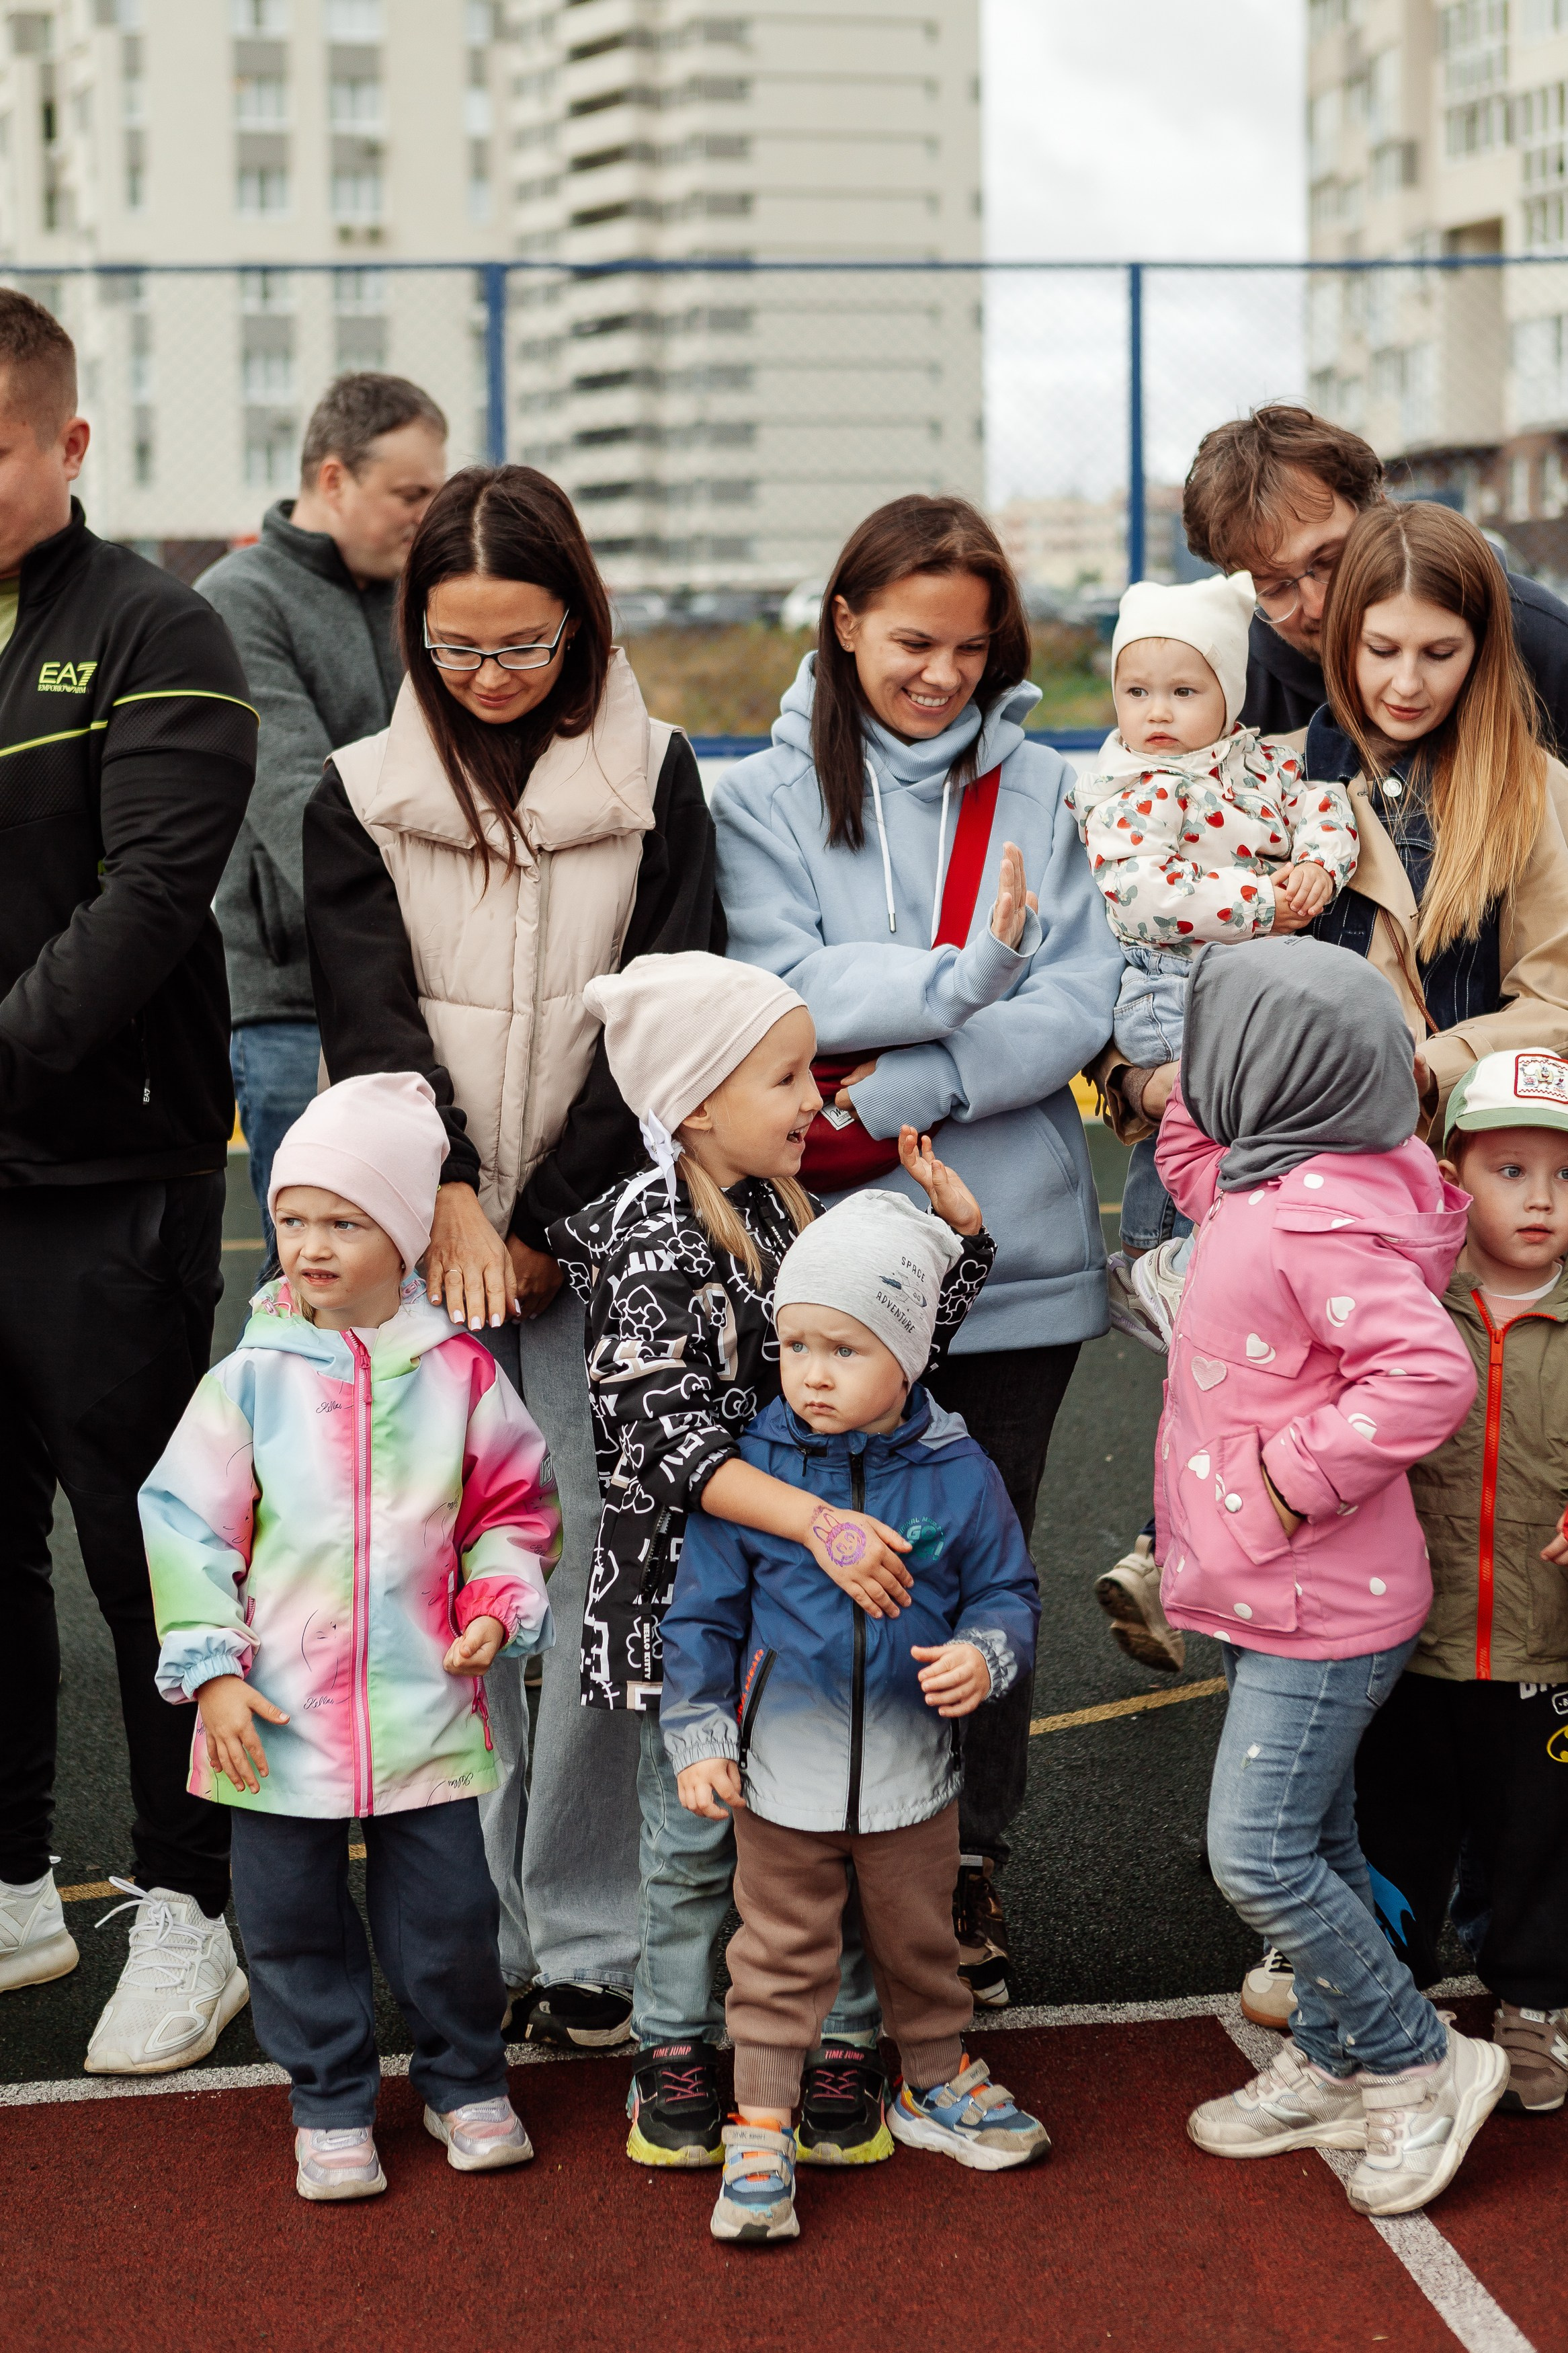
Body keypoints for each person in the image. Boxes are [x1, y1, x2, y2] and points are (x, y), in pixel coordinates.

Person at [302, 465, 720, 2052]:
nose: (488, 677)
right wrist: (461, 1205)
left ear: (580, 621)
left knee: (610, 1569)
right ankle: (468, 1925)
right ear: (415, 633)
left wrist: (546, 1220)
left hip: (604, 1240)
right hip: (432, 1244)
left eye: (522, 646)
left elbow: (669, 1008)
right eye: (456, 648)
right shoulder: (352, 792)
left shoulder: (661, 776)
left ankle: (595, 1937)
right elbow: (367, 1024)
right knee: (454, 1569)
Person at [713, 493, 1122, 2001]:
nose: (938, 674)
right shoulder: (760, 794)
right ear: (840, 625)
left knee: (975, 1574)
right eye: (906, 643)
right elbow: (784, 981)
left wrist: (897, 1085)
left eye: (965, 647)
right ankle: (804, 1881)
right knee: (807, 1572)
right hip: (818, 1264)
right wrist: (962, 975)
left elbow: (1071, 998)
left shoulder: (1046, 789)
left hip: (1001, 1251)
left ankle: (964, 1875)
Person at [1098, 496, 1568, 1697]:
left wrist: (1423, 1063)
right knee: (1313, 1511)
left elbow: (1552, 1002)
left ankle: (1470, 1828)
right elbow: (1183, 944)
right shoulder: (1275, 777)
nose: (1405, 680)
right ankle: (1327, 1808)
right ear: (1338, 641)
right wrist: (1150, 1082)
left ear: (1483, 652)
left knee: (1464, 1501)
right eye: (1380, 648)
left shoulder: (1532, 794)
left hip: (1452, 1193)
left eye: (1438, 651)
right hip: (1302, 1212)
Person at [546, 950, 997, 2169]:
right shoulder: (651, 1230)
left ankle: (815, 2048)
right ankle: (675, 2050)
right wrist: (818, 1525)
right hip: (683, 1609)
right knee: (698, 1844)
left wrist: (953, 1253)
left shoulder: (776, 1208)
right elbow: (665, 1440)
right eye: (786, 1076)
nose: (816, 1097)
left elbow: (859, 1358)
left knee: (810, 1832)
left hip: (791, 1603)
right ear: (695, 1100)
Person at [138, 1073, 558, 2202]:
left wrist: (493, 1605)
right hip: (271, 1721)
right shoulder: (248, 1384)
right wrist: (213, 1670)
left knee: (449, 1921)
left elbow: (514, 1510)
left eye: (345, 1220)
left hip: (423, 1710)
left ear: (410, 1234)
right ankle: (328, 2102)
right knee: (286, 1923)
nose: (309, 1246)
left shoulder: (460, 1375)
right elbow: (184, 1523)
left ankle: (464, 2080)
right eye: (291, 1218)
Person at [0, 290, 261, 2072]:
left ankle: (200, 1903)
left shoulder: (159, 627)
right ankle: (15, 1878)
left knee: (144, 1550)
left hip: (108, 1175)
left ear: (68, 446)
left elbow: (149, 898)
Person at [1159, 936, 1507, 2221]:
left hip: (1318, 1599)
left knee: (1255, 1856)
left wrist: (1284, 1480)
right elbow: (1195, 1162)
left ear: (1273, 1077)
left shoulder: (1316, 1217)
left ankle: (1418, 2061)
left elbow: (1426, 1377)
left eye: (1219, 1057)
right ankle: (1334, 2048)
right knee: (1316, 1836)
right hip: (1279, 1589)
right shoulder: (1292, 1173)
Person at [661, 1187, 1050, 2246]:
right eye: (794, 1344)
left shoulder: (958, 1474)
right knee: (778, 1951)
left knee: (920, 1942)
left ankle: (930, 2080)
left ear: (913, 1350)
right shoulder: (756, 1474)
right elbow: (699, 1616)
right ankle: (760, 2123)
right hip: (780, 1778)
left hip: (914, 1781)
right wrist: (698, 1737)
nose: (813, 1372)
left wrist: (984, 1654)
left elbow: (1007, 1593)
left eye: (846, 1347)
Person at [1318, 1049, 1568, 2116]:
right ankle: (1395, 2007)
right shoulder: (1408, 1305)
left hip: (1541, 1645)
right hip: (1407, 1640)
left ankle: (1535, 2004)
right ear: (1448, 1174)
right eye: (1510, 1171)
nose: (1543, 1200)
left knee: (1543, 1843)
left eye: (1564, 1176)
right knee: (1398, 1830)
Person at [1069, 570, 1358, 1353]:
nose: (1155, 712)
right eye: (1135, 691)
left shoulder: (1265, 766)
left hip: (1255, 980)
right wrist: (1266, 900)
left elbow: (1327, 807)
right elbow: (1142, 894)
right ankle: (1155, 1257)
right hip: (1174, 984)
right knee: (1193, 1126)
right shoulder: (1130, 788)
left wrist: (1317, 869)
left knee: (1249, 1129)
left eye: (1183, 691)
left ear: (1228, 695)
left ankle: (1206, 1265)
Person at [198, 372, 448, 1244]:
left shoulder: (416, 600)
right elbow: (303, 816)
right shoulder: (240, 602)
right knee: (311, 1289)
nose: (425, 515)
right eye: (408, 494)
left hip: (425, 1002)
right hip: (293, 1012)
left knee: (419, 1287)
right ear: (333, 479)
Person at [1181, 401, 1568, 749]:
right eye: (1275, 589)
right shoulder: (1224, 683)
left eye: (1331, 561)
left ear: (1379, 509)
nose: (1317, 606)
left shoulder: (1538, 639)